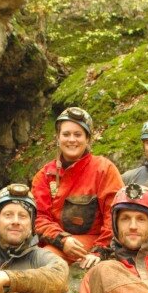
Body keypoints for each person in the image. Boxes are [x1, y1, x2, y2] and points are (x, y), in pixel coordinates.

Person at [32, 106, 123, 269]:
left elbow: (115, 213)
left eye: (78, 134)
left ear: (87, 139)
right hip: (58, 244)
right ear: (58, 138)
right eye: (66, 134)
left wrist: (100, 250)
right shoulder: (45, 175)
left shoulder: (104, 169)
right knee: (40, 260)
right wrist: (62, 240)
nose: (71, 139)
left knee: (45, 261)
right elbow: (39, 217)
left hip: (94, 240)